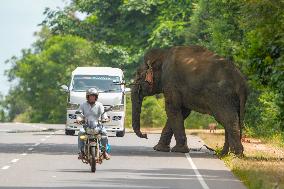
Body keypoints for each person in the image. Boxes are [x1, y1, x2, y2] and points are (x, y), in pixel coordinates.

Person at [77, 88, 110, 160]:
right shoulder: (83, 105)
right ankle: (81, 152)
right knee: (81, 133)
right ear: (87, 97)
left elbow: (103, 114)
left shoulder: (99, 105)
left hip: (98, 126)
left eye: (93, 96)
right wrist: (79, 120)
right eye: (90, 96)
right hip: (86, 126)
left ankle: (104, 152)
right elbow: (79, 115)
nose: (92, 97)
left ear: (96, 97)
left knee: (104, 133)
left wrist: (105, 119)